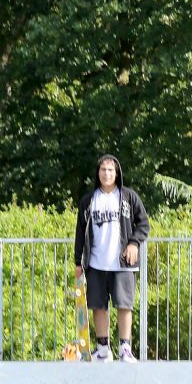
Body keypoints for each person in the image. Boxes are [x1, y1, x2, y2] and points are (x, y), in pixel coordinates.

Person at [74, 154, 150, 362]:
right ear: (97, 173)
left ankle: (125, 348)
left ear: (117, 173)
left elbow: (144, 224)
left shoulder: (128, 197)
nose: (106, 173)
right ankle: (103, 348)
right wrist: (77, 262)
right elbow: (80, 233)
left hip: (123, 263)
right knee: (98, 305)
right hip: (96, 263)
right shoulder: (88, 201)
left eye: (110, 170)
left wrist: (134, 243)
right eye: (103, 170)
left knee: (124, 305)